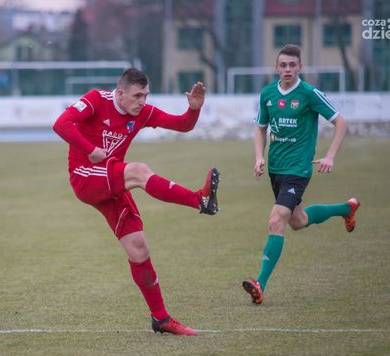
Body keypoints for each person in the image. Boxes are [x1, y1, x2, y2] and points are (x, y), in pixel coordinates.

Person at [53, 68, 219, 336]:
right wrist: (90, 150)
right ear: (120, 93)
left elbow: (183, 125)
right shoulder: (96, 100)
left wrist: (194, 109)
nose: (142, 101)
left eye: (146, 95)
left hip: (111, 180)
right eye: (137, 95)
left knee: (139, 248)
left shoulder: (143, 113)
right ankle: (199, 200)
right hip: (85, 176)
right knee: (139, 171)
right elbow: (61, 124)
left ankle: (161, 319)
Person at [242, 44, 360, 305]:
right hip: (276, 169)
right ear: (276, 67)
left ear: (300, 67)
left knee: (276, 221)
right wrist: (259, 156)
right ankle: (347, 208)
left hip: (298, 170)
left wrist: (330, 156)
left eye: (292, 65)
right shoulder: (268, 93)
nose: (287, 69)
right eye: (283, 65)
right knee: (298, 220)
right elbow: (260, 127)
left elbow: (340, 123)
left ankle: (260, 283)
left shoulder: (309, 93)